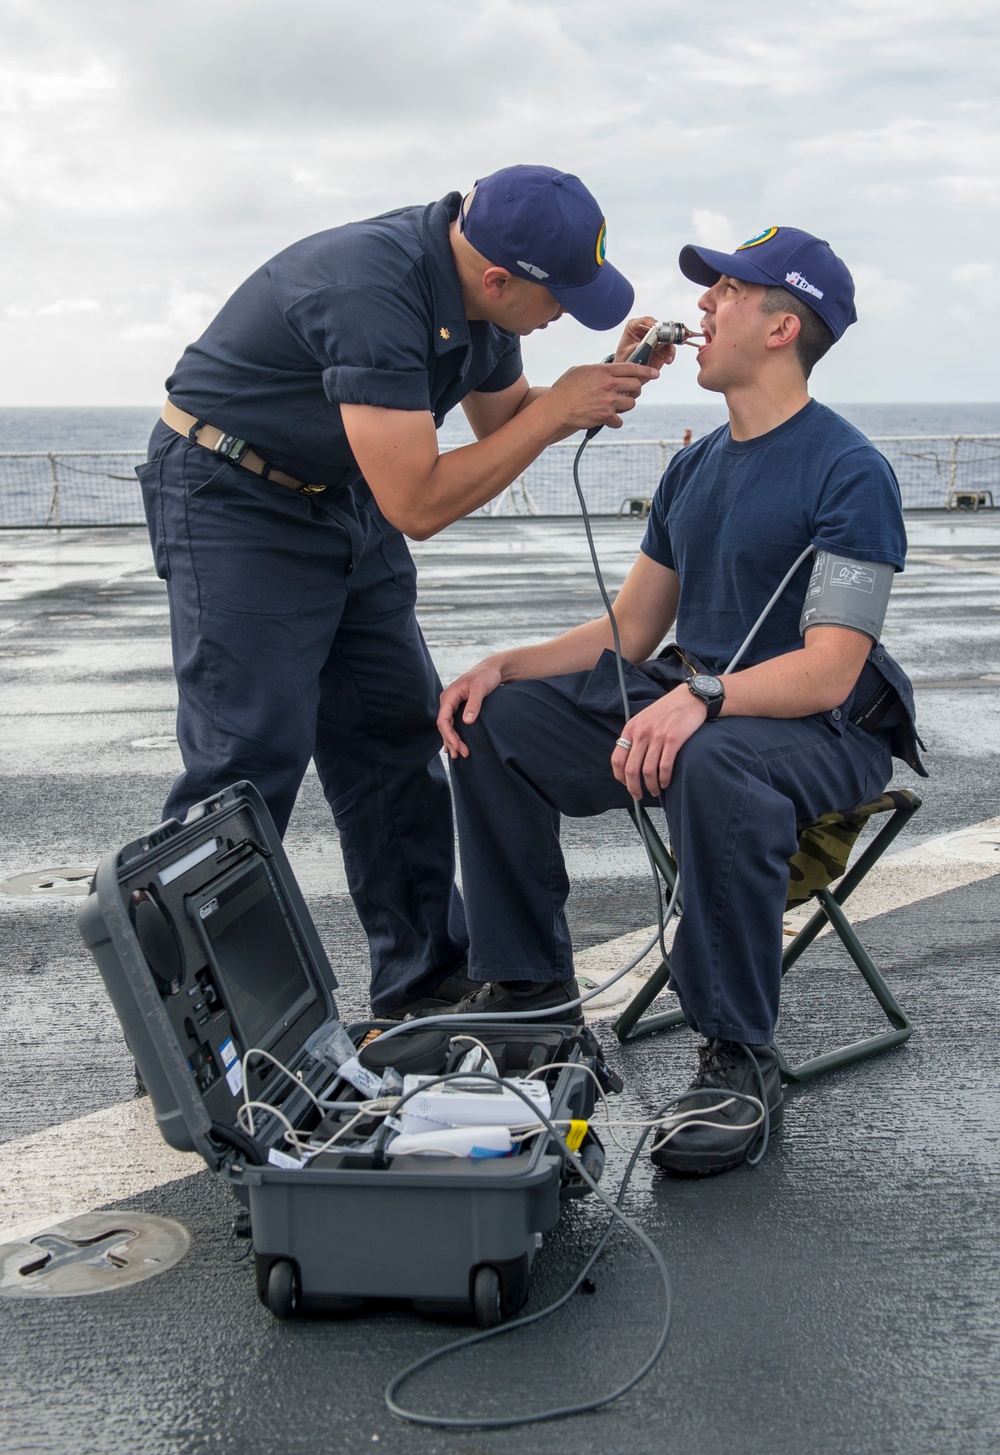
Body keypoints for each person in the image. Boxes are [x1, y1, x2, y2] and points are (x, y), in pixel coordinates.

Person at [437, 225, 926, 1176]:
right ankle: (532, 1000)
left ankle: (736, 1058)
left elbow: (830, 665)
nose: (700, 307)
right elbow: (629, 632)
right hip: (699, 698)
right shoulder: (693, 469)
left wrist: (703, 695)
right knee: (493, 724)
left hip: (821, 724)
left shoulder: (849, 471)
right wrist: (507, 663)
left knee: (714, 754)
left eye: (726, 294)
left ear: (784, 326)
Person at [137, 164, 668, 1020]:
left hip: (340, 494)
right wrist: (554, 410)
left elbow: (505, 422)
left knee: (395, 737)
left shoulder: (485, 294)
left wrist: (593, 388)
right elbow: (419, 504)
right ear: (498, 276)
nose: (565, 311)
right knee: (248, 757)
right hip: (234, 496)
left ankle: (425, 983)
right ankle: (198, 1023)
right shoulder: (369, 290)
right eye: (561, 297)